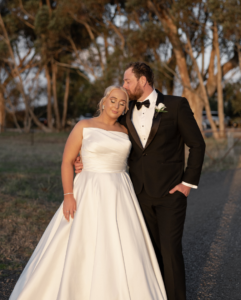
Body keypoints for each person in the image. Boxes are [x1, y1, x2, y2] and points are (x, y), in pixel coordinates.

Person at [9, 86, 167, 300]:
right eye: (113, 100)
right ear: (104, 101)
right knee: (81, 241)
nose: (117, 105)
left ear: (125, 109)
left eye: (122, 103)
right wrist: (68, 195)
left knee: (123, 243)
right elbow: (66, 161)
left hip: (120, 190)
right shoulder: (84, 126)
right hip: (89, 188)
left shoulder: (126, 131)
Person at [75, 62, 206, 300]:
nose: (124, 86)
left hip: (171, 193)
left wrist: (187, 184)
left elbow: (197, 144)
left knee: (169, 250)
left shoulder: (176, 105)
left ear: (142, 80)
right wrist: (84, 160)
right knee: (147, 252)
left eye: (127, 81)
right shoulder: (125, 112)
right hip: (137, 195)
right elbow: (107, 139)